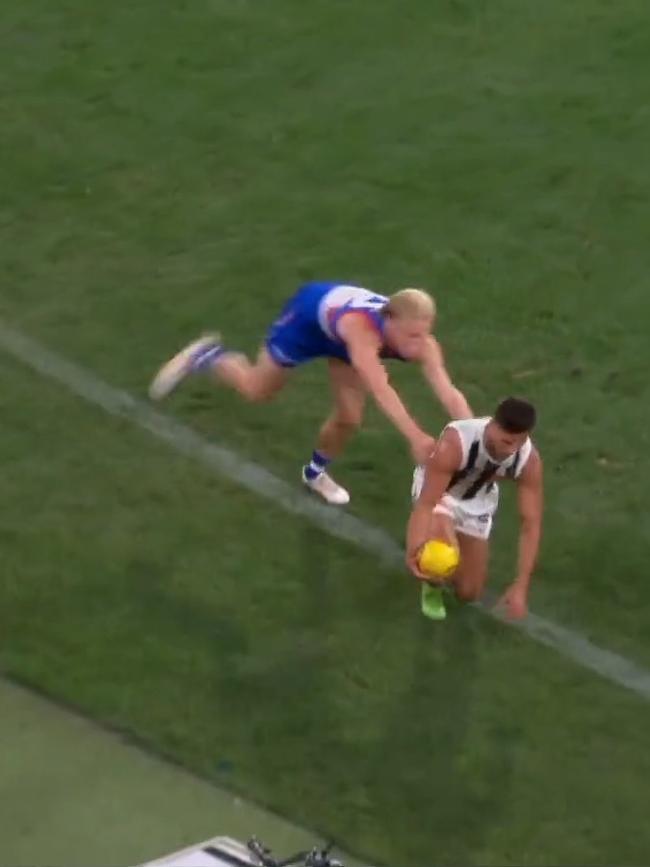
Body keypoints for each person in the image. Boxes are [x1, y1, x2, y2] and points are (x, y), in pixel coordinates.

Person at [149, 281, 472, 504]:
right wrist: (416, 437)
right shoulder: (360, 330)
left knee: (350, 418)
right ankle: (208, 356)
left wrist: (477, 436)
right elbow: (380, 387)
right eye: (412, 335)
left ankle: (314, 474)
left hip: (343, 343)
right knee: (257, 390)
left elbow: (449, 392)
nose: (419, 344)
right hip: (307, 322)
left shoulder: (421, 344)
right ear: (390, 322)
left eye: (425, 334)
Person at [406, 397, 543, 620]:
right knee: (440, 558)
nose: (512, 450)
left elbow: (531, 524)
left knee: (469, 592)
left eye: (520, 442)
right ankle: (432, 586)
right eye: (507, 442)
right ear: (492, 426)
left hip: (477, 503)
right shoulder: (456, 443)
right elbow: (427, 503)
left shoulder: (529, 461)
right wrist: (414, 547)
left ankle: (447, 557)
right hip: (442, 493)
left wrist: (521, 585)